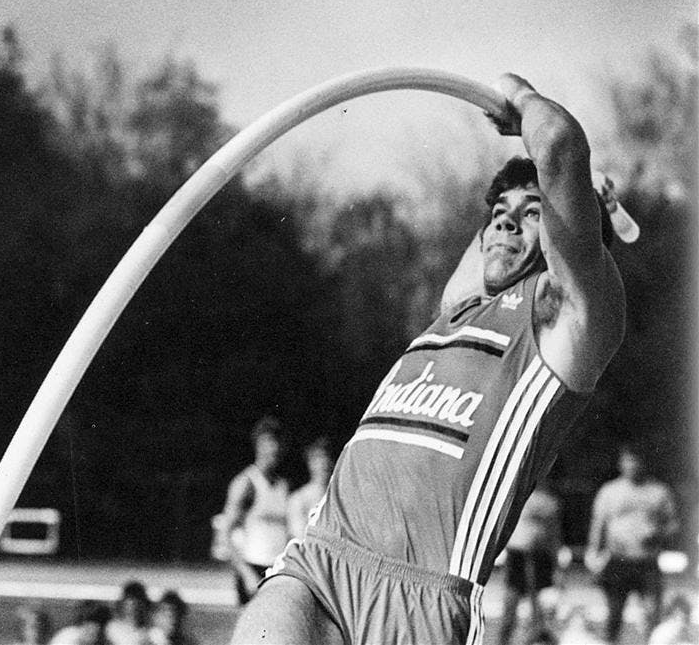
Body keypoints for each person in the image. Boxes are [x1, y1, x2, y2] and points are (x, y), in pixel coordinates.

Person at [230, 72, 626, 645]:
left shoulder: (567, 322)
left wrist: (523, 104)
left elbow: (561, 146)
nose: (505, 221)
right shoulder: (457, 308)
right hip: (321, 560)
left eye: (532, 212)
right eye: (499, 212)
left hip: (422, 600)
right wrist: (556, 188)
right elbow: (511, 217)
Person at [586, 444, 680, 643]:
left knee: (652, 613)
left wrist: (657, 534)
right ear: (621, 463)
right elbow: (598, 524)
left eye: (637, 460)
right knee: (614, 613)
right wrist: (593, 553)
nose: (633, 465)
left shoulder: (658, 491)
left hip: (646, 561)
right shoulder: (609, 491)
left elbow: (672, 525)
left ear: (644, 463)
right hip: (618, 560)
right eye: (628, 460)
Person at [219, 415, 290, 604]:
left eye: (278, 443)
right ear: (258, 445)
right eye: (269, 442)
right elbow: (225, 534)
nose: (274, 448)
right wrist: (246, 574)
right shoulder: (246, 483)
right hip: (253, 569)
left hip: (277, 569)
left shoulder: (283, 485)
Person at [498, 479, 564, 644]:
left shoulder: (550, 502)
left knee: (538, 607)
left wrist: (556, 564)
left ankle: (534, 639)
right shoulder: (517, 495)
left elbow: (554, 534)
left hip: (540, 556)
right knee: (511, 603)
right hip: (518, 554)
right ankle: (503, 640)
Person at [287, 436, 335, 539]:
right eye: (318, 459)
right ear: (310, 463)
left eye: (327, 458)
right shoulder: (298, 499)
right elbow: (299, 535)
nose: (324, 463)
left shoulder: (340, 499)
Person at [105, 580, 153, 645]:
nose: (132, 607)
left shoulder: (148, 632)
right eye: (129, 603)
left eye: (136, 603)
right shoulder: (112, 627)